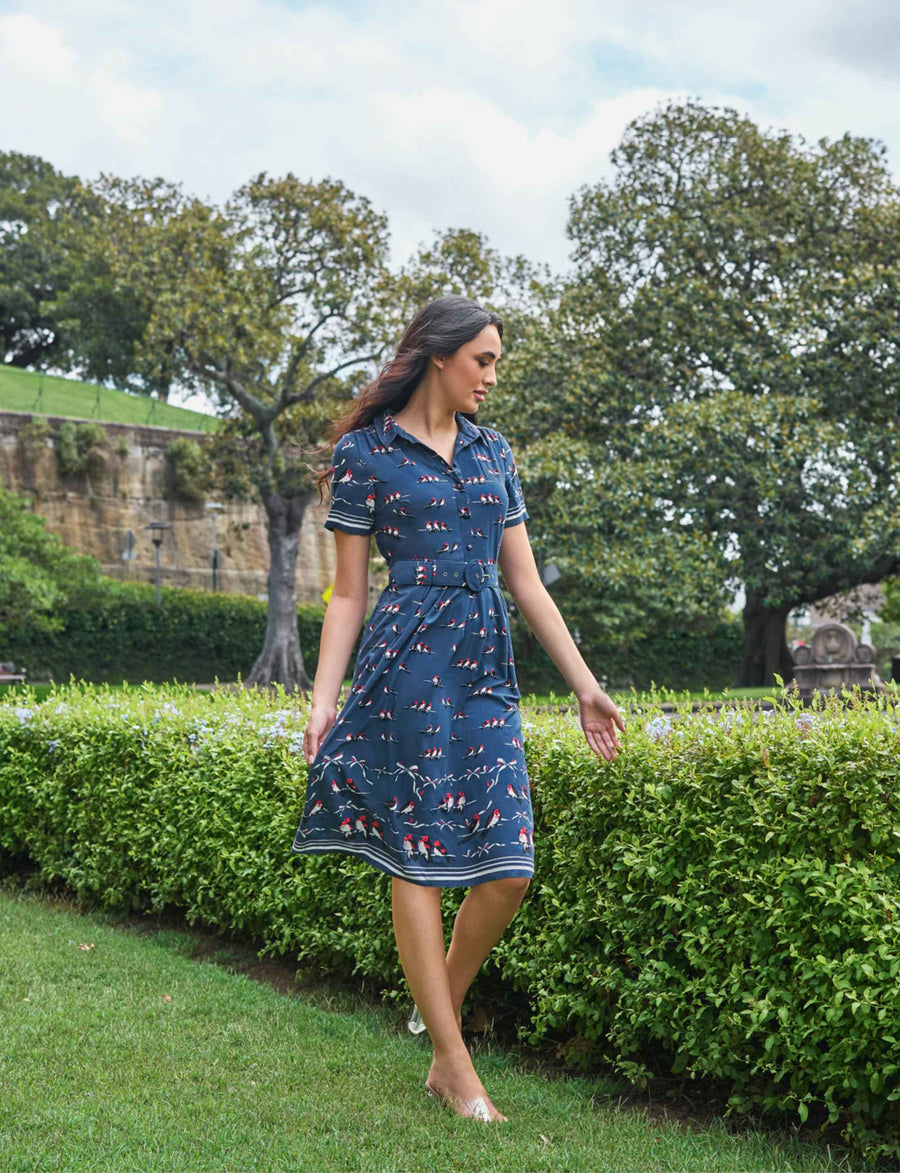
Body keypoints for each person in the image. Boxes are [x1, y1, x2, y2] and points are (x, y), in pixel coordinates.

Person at [295, 295, 625, 1123]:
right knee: (420, 857)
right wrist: (323, 700)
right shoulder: (365, 455)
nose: (490, 377)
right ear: (439, 355)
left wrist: (584, 684)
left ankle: (434, 1000)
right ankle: (453, 1061)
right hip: (405, 666)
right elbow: (346, 593)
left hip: (486, 669)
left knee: (510, 865)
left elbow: (526, 581)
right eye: (483, 360)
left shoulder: (494, 452)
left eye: (495, 362)